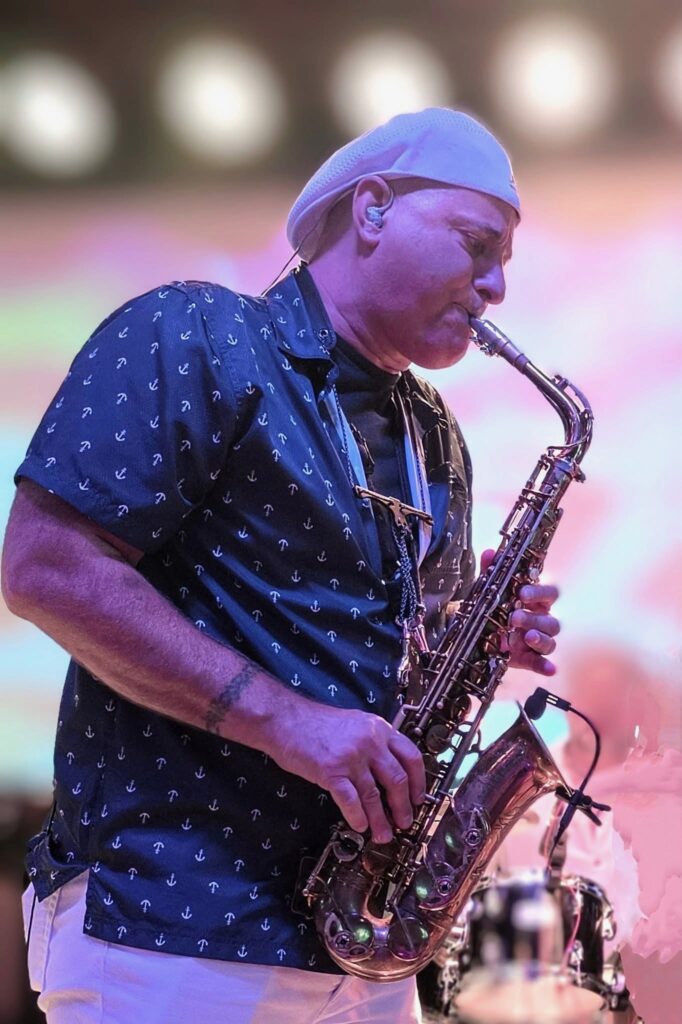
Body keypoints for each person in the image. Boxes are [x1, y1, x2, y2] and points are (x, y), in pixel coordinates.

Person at [1, 108, 562, 1024]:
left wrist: (477, 638)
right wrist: (288, 723)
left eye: (505, 261)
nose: (495, 286)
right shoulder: (198, 333)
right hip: (173, 929)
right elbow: (45, 569)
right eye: (476, 245)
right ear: (373, 208)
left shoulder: (434, 434)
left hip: (362, 947)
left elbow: (395, 663)